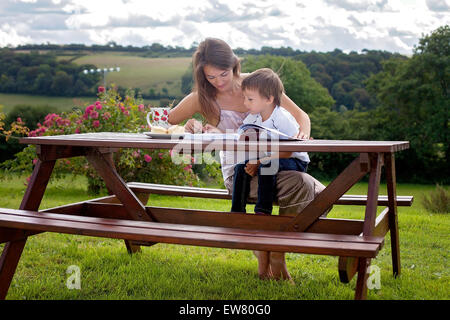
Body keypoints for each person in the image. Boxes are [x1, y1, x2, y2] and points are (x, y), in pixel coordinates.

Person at [168, 38, 325, 281]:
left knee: (320, 194)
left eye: (224, 73)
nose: (219, 82)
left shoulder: (257, 83)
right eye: (211, 77)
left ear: (234, 65)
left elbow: (300, 115)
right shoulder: (202, 98)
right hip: (240, 172)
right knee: (303, 185)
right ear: (202, 76)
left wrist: (301, 134)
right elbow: (168, 120)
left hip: (274, 161)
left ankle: (271, 251)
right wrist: (193, 126)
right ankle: (274, 257)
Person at [231, 68, 310, 216]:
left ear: (268, 99)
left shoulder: (282, 118)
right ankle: (236, 212)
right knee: (240, 166)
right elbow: (241, 136)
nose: (245, 103)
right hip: (268, 156)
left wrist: (260, 160)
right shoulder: (253, 118)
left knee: (267, 164)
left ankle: (263, 211)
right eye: (245, 98)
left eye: (250, 99)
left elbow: (289, 151)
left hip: (293, 160)